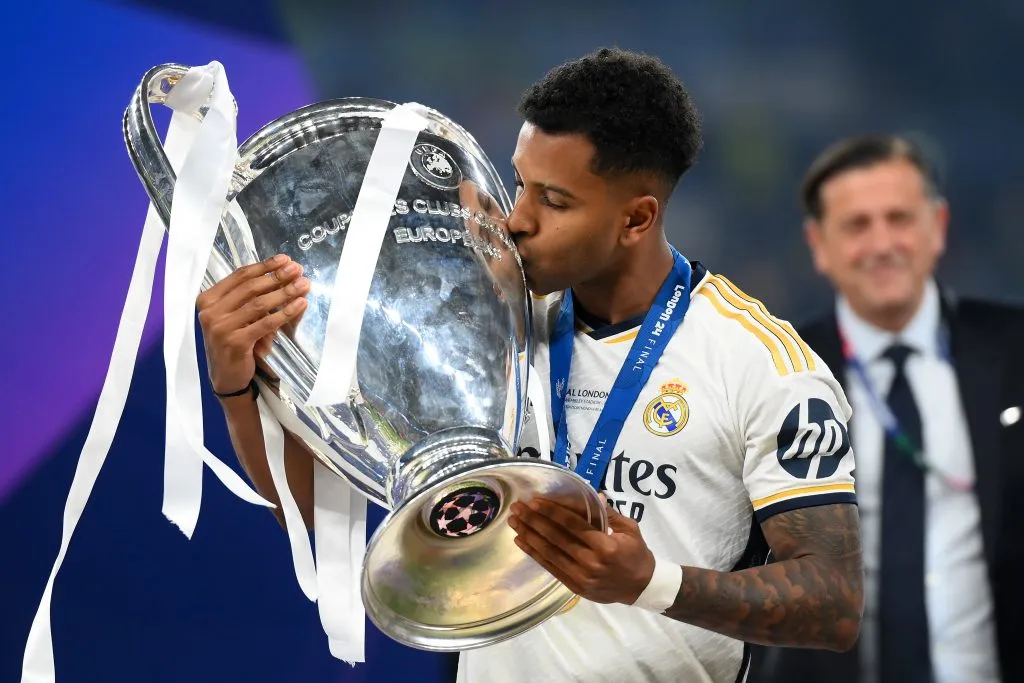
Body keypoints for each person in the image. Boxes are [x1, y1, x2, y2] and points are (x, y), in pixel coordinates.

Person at [198, 48, 864, 683]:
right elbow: (315, 510)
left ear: (636, 219)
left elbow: (834, 603)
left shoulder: (761, 364)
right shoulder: (480, 323)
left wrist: (650, 582)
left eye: (554, 200)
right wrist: (238, 384)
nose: (516, 219)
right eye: (519, 184)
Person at [752, 135, 1024, 683]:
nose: (882, 244)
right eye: (856, 225)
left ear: (937, 227)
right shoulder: (772, 370)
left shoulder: (1016, 350)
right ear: (818, 245)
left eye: (899, 218)